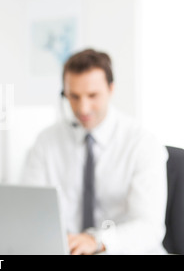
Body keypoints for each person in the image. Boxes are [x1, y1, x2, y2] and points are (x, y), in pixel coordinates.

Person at [22, 48, 168, 255]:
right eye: (74, 96)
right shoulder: (46, 142)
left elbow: (149, 227)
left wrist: (97, 240)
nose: (83, 108)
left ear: (111, 89)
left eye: (92, 95)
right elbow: (29, 211)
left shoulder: (142, 143)